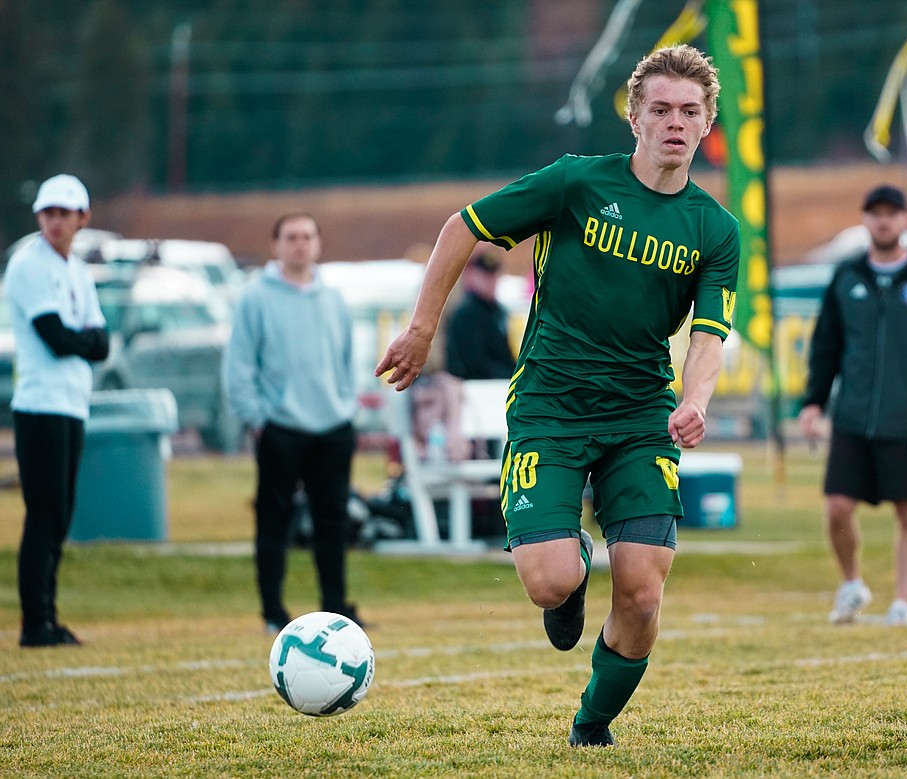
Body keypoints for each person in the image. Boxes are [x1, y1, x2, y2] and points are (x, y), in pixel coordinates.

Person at [375, 44, 739, 747]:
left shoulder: (714, 230)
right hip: (551, 407)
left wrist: (695, 398)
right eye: (659, 108)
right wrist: (423, 329)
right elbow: (463, 227)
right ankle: (567, 570)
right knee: (549, 580)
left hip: (640, 417)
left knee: (640, 590)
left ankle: (591, 724)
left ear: (706, 122)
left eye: (689, 111)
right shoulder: (576, 184)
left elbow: (709, 333)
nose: (674, 121)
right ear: (634, 117)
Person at [797, 184, 907, 628]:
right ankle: (852, 584)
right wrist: (814, 403)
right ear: (864, 220)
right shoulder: (847, 277)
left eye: (891, 213)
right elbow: (825, 346)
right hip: (852, 417)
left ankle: (903, 602)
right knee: (837, 507)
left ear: (906, 219)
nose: (883, 221)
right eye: (874, 213)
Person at [223, 212, 360, 634]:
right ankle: (271, 610)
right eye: (291, 237)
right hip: (280, 427)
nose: (300, 244)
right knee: (274, 518)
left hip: (332, 427)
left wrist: (346, 407)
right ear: (276, 245)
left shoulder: (333, 298)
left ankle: (335, 607)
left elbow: (345, 360)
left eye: (307, 236)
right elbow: (239, 364)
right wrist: (257, 417)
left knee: (332, 520)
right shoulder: (255, 298)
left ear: (317, 243)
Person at [6, 174, 109, 647]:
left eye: (65, 214)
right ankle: (35, 621)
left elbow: (100, 344)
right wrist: (81, 340)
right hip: (41, 403)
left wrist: (81, 341)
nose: (55, 222)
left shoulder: (76, 270)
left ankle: (47, 614)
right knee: (44, 513)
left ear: (82, 218)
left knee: (61, 512)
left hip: (72, 403)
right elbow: (57, 336)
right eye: (48, 213)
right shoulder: (29, 265)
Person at [444, 250, 515, 382]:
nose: (491, 281)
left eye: (494, 275)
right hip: (474, 385)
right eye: (485, 276)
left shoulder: (497, 311)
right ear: (471, 276)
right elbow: (475, 364)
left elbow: (504, 355)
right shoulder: (466, 313)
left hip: (491, 383)